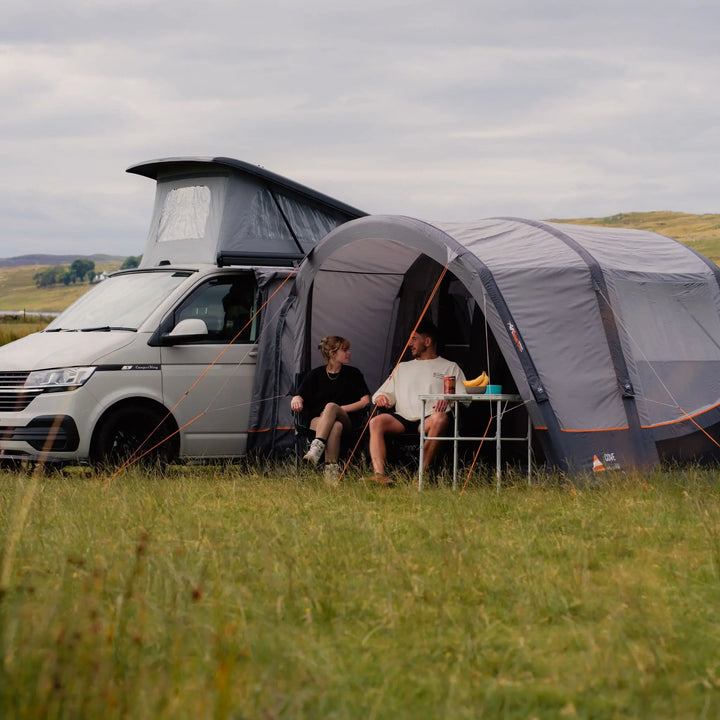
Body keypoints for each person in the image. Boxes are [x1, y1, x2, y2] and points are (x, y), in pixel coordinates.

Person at [368, 319, 467, 485]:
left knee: (441, 419)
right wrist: (381, 397)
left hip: (428, 419)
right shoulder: (402, 367)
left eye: (414, 339)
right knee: (376, 421)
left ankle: (421, 475)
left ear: (427, 341)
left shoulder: (450, 367)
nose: (409, 344)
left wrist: (447, 397)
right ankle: (380, 475)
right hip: (402, 418)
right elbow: (381, 393)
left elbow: (464, 397)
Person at [290, 336, 371, 483]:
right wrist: (296, 399)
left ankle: (316, 448)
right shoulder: (315, 375)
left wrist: (339, 409)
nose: (349, 353)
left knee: (331, 407)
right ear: (333, 354)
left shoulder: (353, 374)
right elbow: (299, 396)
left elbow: (366, 401)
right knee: (335, 426)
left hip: (347, 419)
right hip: (318, 420)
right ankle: (331, 474)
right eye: (345, 350)